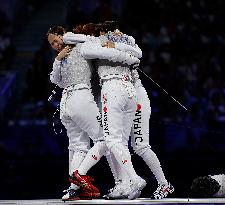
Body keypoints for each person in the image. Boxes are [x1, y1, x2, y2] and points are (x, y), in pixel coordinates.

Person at [46, 25, 140, 200]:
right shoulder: (83, 47)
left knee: (77, 147)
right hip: (79, 97)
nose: (55, 45)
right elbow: (55, 80)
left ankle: (73, 190)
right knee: (104, 139)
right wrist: (130, 58)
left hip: (66, 103)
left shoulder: (78, 43)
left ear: (64, 35)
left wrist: (60, 56)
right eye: (52, 44)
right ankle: (79, 175)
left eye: (56, 40)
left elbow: (55, 81)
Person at [97, 21, 175, 200]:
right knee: (121, 144)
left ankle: (164, 184)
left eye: (102, 33)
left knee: (140, 146)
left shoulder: (125, 41)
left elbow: (138, 52)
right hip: (127, 96)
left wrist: (117, 41)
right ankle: (128, 184)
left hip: (137, 97)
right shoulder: (106, 47)